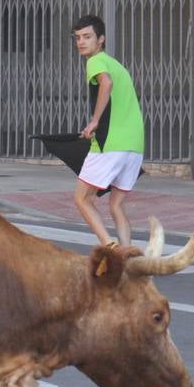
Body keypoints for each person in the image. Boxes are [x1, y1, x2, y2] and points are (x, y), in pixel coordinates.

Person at [71, 14, 144, 247]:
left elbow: (106, 83)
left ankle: (110, 249)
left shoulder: (96, 61)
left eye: (87, 37)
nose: (81, 42)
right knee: (116, 205)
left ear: (100, 39)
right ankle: (127, 255)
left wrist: (94, 122)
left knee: (82, 199)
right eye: (78, 38)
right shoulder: (117, 65)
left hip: (111, 143)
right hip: (134, 145)